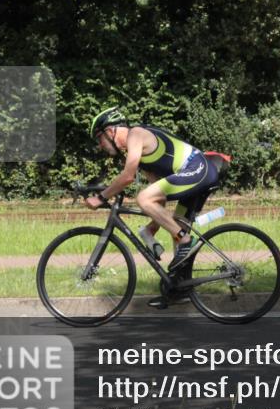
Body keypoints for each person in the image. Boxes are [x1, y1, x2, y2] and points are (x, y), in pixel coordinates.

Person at [84, 107, 219, 307]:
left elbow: (128, 177)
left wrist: (101, 198)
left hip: (198, 168)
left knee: (144, 199)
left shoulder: (136, 135)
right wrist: (150, 230)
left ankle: (186, 240)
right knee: (175, 225)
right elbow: (158, 199)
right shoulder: (139, 155)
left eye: (99, 138)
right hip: (198, 173)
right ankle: (179, 289)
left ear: (110, 131)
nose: (100, 145)